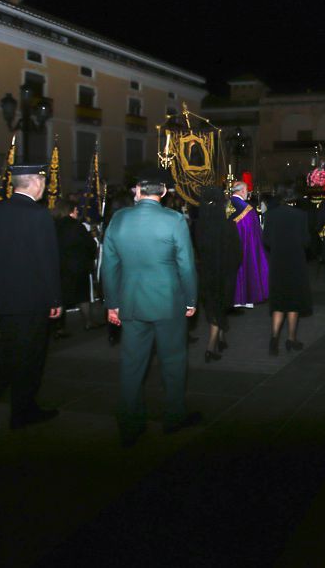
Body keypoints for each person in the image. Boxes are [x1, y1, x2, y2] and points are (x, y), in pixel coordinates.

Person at [102, 169, 200, 446]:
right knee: (173, 361)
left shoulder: (119, 219)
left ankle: (130, 425)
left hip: (131, 302)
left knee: (132, 365)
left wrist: (112, 304)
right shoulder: (174, 220)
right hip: (168, 302)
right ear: (164, 192)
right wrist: (191, 300)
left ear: (138, 190)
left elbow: (108, 266)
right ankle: (173, 416)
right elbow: (186, 265)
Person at [0, 164, 62, 430]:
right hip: (32, 299)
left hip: (3, 298)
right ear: (36, 183)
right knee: (29, 358)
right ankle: (22, 411)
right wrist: (54, 299)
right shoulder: (38, 215)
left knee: (6, 353)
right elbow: (48, 261)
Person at [263, 184, 312, 355]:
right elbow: (306, 241)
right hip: (295, 262)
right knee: (293, 303)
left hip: (277, 262)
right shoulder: (301, 216)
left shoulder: (271, 215)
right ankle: (291, 338)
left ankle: (274, 337)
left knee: (278, 302)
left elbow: (266, 239)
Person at [194, 186, 241, 362]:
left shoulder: (199, 224)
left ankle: (221, 337)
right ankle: (210, 347)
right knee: (218, 306)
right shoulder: (227, 223)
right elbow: (237, 250)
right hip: (224, 271)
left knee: (213, 304)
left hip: (207, 270)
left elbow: (198, 248)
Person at [52, 199, 98, 337]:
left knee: (61, 296)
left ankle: (59, 327)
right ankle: (88, 321)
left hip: (59, 265)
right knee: (82, 295)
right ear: (71, 210)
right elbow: (90, 245)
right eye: (76, 209)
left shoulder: (53, 225)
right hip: (78, 265)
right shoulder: (77, 226)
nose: (78, 211)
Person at [229, 180, 269, 307]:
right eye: (247, 191)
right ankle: (245, 297)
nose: (248, 193)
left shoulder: (225, 204)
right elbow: (255, 233)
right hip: (244, 246)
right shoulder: (248, 209)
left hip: (228, 246)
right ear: (242, 191)